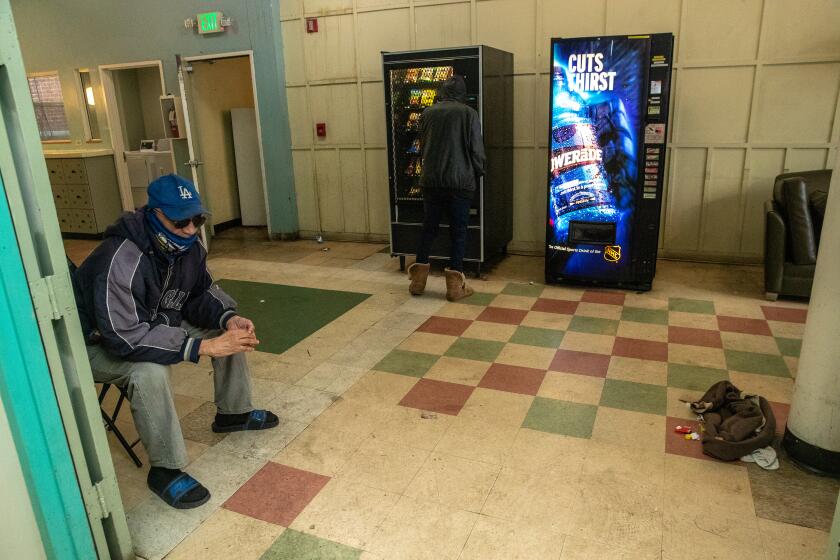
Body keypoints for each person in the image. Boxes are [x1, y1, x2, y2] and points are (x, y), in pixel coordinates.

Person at [72, 174, 279, 509]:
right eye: (181, 221)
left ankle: (233, 413)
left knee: (228, 336)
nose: (190, 229)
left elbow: (201, 292)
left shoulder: (188, 246)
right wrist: (199, 347)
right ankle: (165, 469)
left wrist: (228, 319)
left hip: (153, 322)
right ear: (154, 213)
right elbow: (124, 336)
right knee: (149, 372)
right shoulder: (119, 257)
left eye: (197, 219)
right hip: (97, 343)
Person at [408, 74, 486, 301]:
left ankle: (418, 282)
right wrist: (479, 172)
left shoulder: (427, 113)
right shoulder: (469, 114)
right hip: (460, 182)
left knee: (428, 228)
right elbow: (476, 150)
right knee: (458, 232)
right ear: (462, 94)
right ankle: (454, 288)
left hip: (431, 181)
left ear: (441, 92)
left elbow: (422, 146)